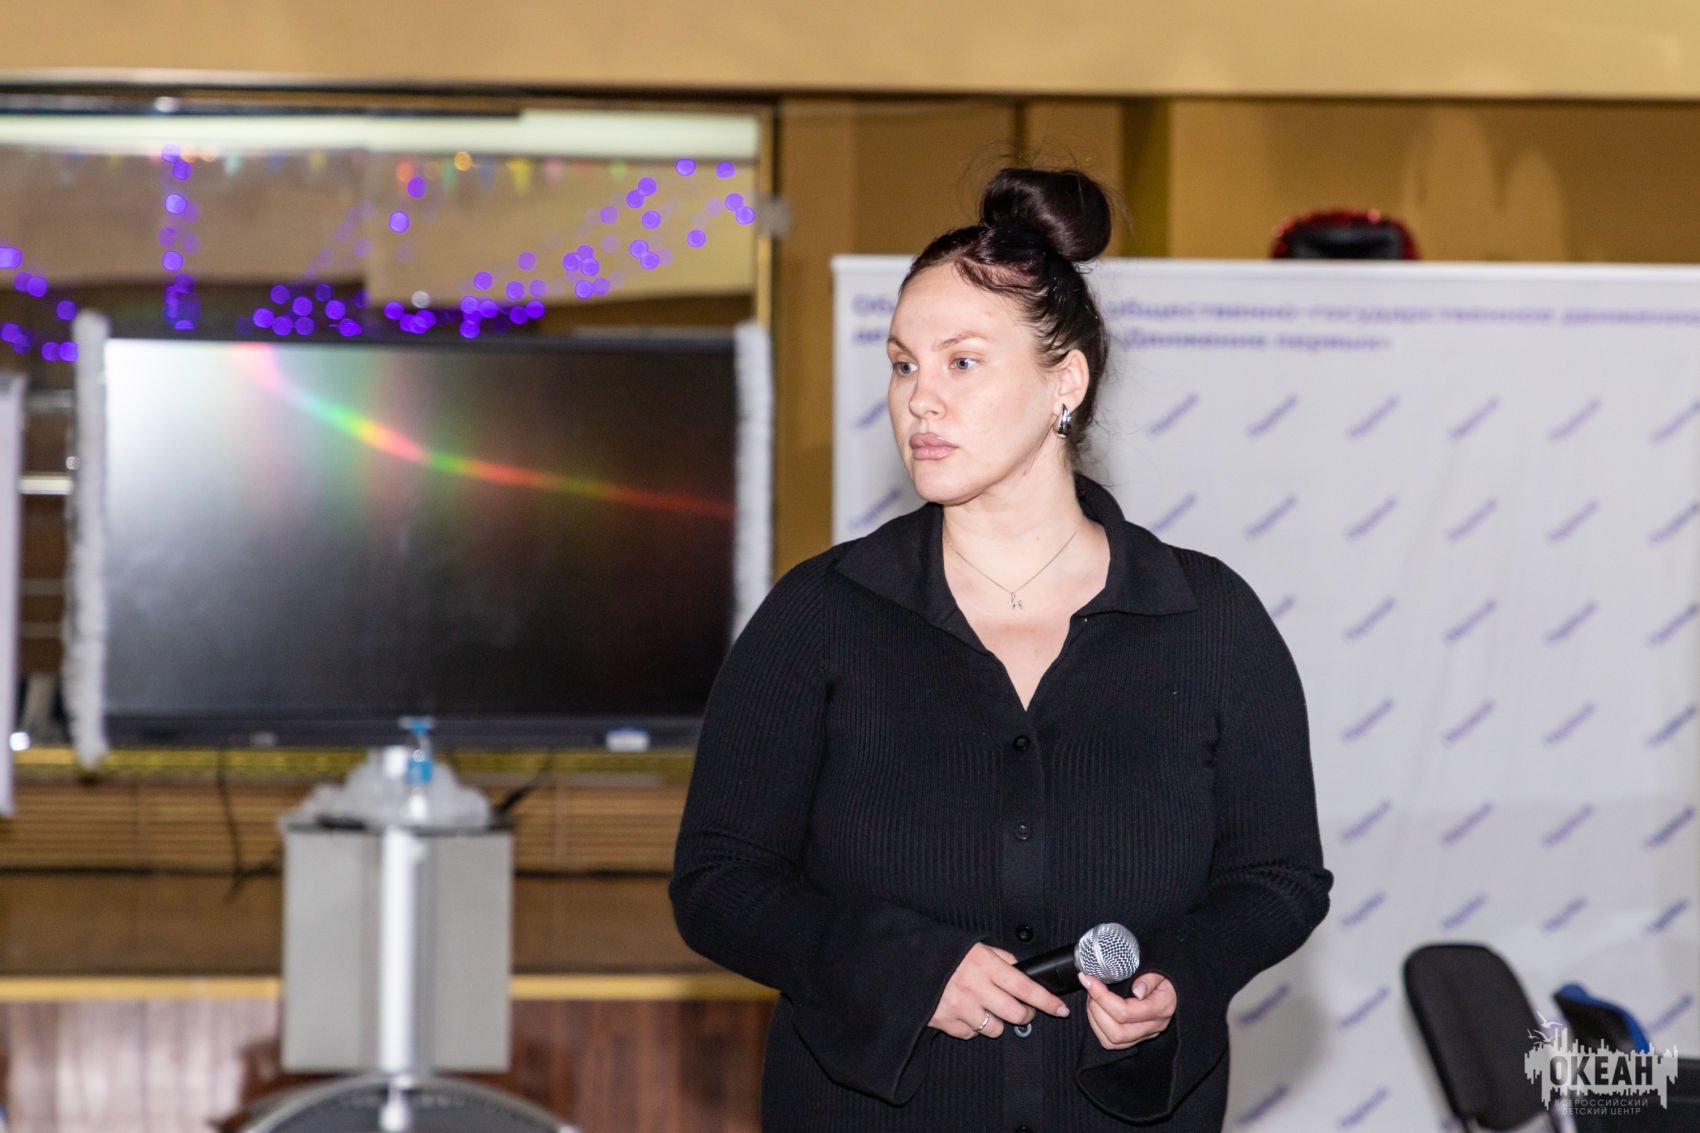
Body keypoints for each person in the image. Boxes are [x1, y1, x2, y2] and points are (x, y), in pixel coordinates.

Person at [671, 167, 1332, 1132]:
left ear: (1066, 383)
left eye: (962, 363)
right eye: (904, 365)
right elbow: (719, 881)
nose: (920, 401)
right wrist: (900, 968)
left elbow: (1277, 879)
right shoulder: (821, 614)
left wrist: (1179, 978)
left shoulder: (1208, 617)